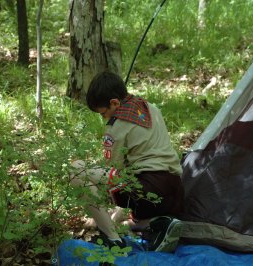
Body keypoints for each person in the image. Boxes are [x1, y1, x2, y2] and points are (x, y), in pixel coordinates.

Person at [71, 71, 184, 252]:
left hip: (148, 189)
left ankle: (113, 239)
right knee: (130, 193)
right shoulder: (149, 107)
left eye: (103, 113)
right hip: (175, 190)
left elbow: (114, 170)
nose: (104, 118)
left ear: (114, 103)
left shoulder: (115, 127)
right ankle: (155, 224)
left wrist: (100, 207)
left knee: (76, 170)